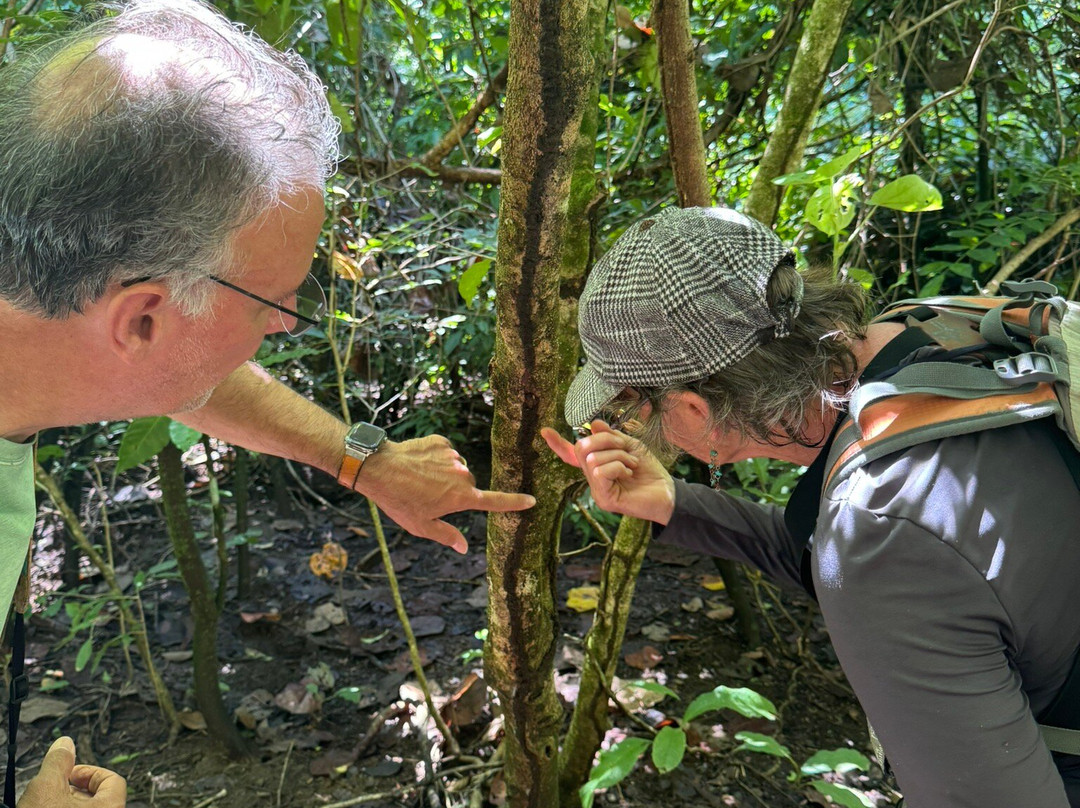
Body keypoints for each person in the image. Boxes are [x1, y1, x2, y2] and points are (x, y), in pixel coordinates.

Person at [0, 1, 534, 805]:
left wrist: (364, 460)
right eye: (271, 300)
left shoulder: (61, 332)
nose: (285, 322)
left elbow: (181, 370)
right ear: (141, 317)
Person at [542, 205, 1080, 807]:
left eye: (631, 407)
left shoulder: (880, 524)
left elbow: (882, 555)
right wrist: (673, 503)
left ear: (695, 408)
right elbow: (845, 555)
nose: (635, 426)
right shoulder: (935, 330)